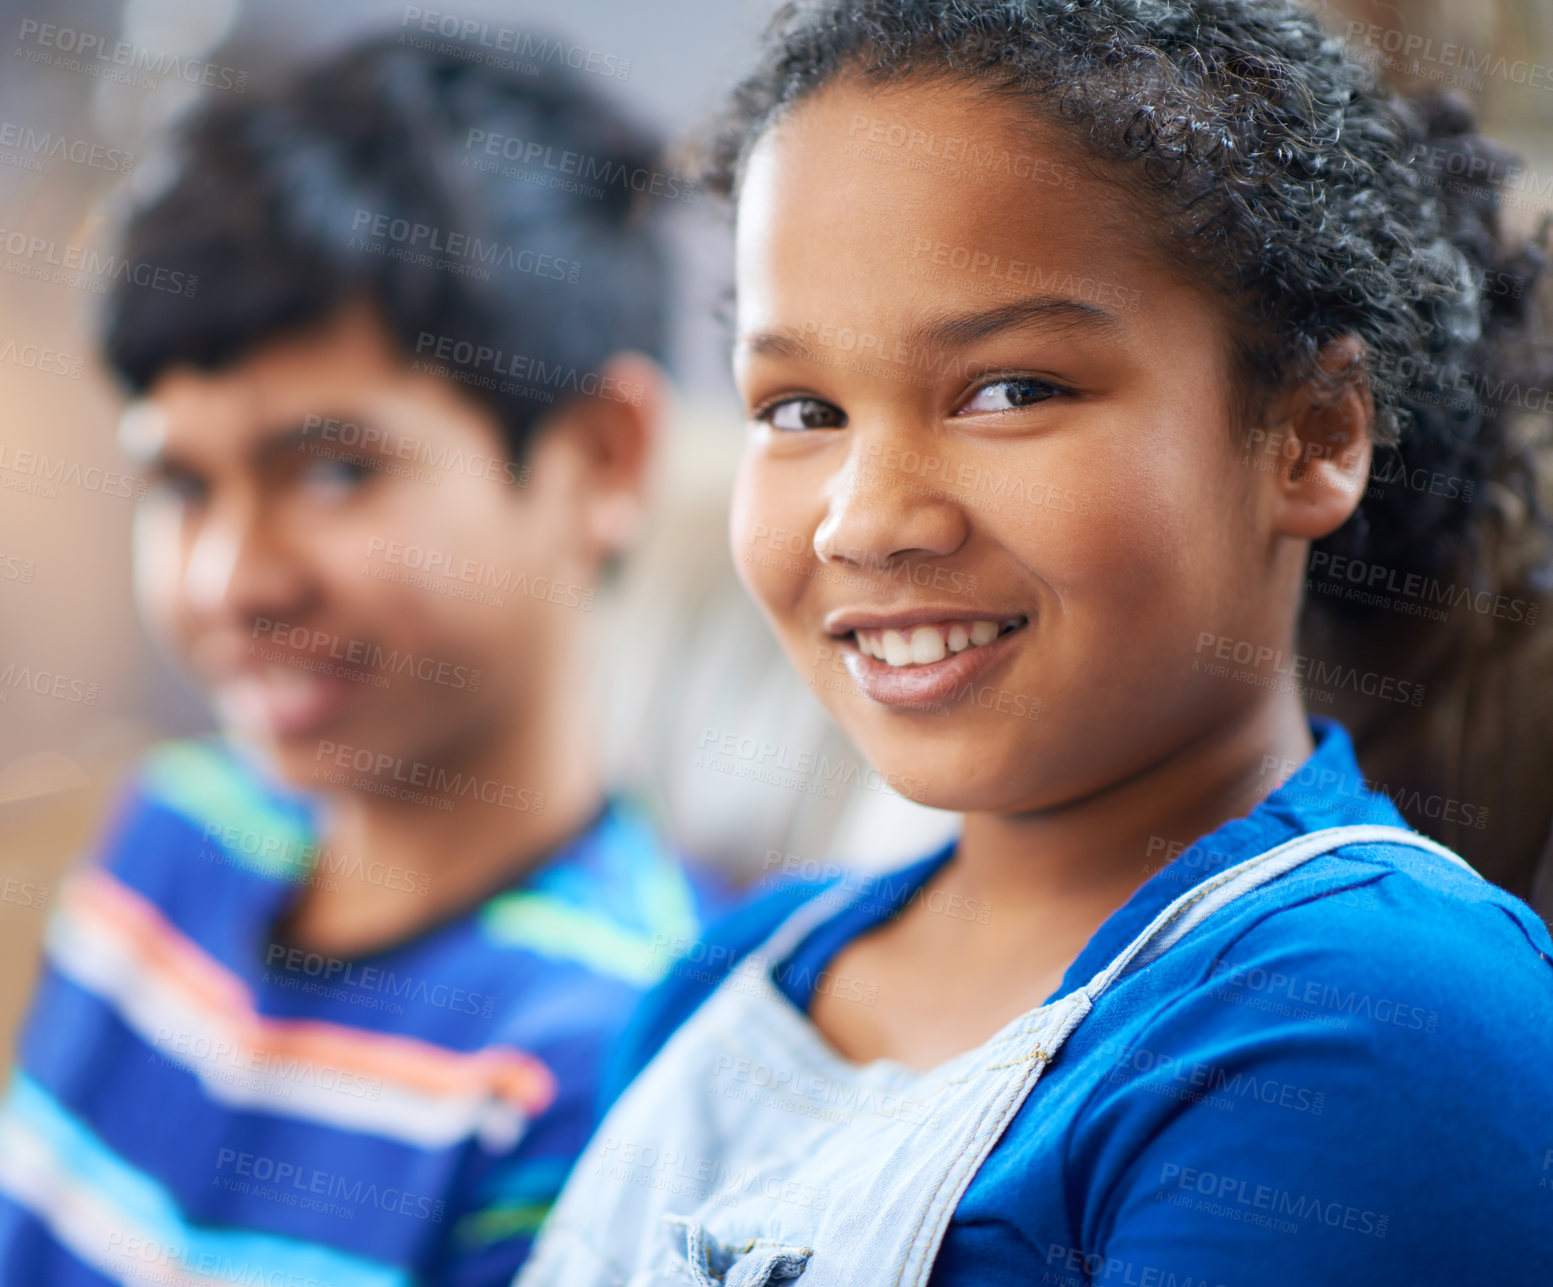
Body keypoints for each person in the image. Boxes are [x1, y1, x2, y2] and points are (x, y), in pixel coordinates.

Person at [517, 2, 1553, 1284]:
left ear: (1312, 434)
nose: (866, 518)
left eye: (1009, 390)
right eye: (800, 407)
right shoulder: (727, 982)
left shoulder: (1376, 1018)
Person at [0, 32, 717, 1287]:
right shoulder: (173, 832)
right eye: (181, 482)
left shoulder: (597, 1062)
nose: (233, 581)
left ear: (601, 458)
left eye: (336, 471)